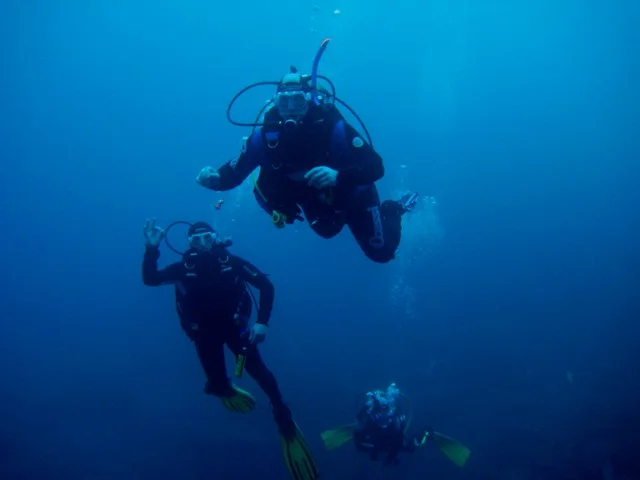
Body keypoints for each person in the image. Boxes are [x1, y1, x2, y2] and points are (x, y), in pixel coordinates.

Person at [196, 39, 419, 264]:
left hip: (354, 194)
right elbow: (235, 173)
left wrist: (339, 177)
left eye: (298, 101)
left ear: (309, 101)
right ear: (275, 103)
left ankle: (392, 209)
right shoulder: (265, 137)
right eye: (284, 102)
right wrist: (215, 179)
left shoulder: (332, 128)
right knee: (327, 230)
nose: (291, 109)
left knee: (381, 253)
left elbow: (375, 166)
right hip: (316, 199)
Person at [141, 218, 319, 480]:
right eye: (196, 240)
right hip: (204, 335)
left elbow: (266, 286)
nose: (202, 244)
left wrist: (262, 323)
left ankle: (281, 412)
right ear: (189, 244)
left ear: (215, 238)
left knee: (259, 372)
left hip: (236, 330)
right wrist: (151, 248)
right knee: (215, 384)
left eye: (207, 238)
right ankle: (224, 387)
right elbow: (150, 279)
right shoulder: (182, 269)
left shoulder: (231, 263)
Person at [320, 383, 470, 468]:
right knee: (362, 436)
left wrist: (388, 458)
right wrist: (359, 429)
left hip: (390, 443)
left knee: (412, 445)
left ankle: (428, 433)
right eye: (379, 416)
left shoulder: (392, 424)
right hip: (378, 443)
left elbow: (401, 440)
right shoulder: (368, 426)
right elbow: (360, 439)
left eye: (386, 416)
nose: (383, 421)